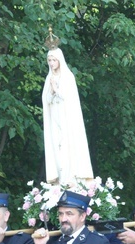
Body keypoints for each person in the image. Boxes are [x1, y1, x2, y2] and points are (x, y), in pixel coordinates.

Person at [43, 46, 94, 185]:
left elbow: (69, 99)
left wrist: (55, 89)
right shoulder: (49, 78)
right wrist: (51, 91)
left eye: (54, 60)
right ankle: (59, 181)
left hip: (67, 120)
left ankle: (70, 180)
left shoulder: (68, 76)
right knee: (57, 149)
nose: (51, 63)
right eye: (49, 60)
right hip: (55, 119)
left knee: (67, 148)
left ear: (60, 60)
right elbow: (46, 100)